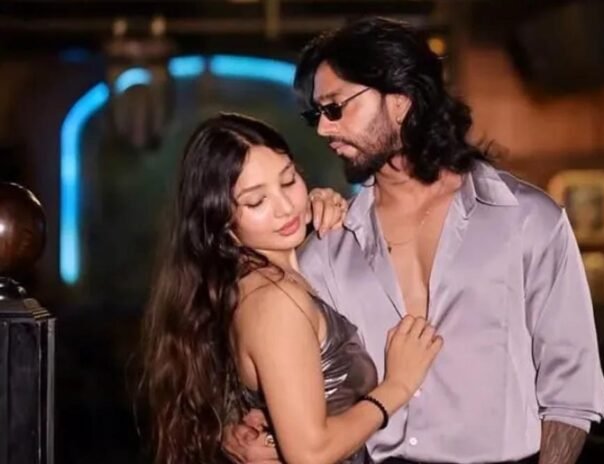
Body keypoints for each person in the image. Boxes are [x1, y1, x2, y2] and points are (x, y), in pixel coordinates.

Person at [223, 16, 604, 464]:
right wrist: (240, 429)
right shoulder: (327, 247)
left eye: (335, 108)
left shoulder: (528, 221)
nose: (324, 129)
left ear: (400, 102)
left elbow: (571, 395)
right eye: (317, 114)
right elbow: (280, 366)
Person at [140, 112, 443, 464]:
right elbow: (310, 454)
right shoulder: (275, 301)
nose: (286, 207)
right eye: (256, 201)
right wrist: (397, 387)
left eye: (288, 180)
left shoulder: (261, 280)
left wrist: (321, 211)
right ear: (220, 218)